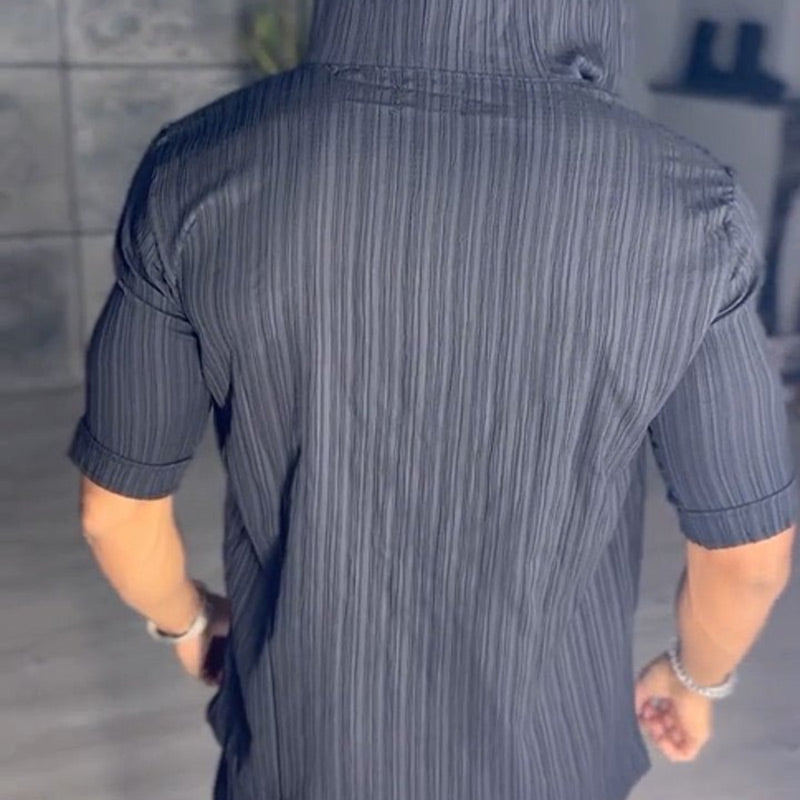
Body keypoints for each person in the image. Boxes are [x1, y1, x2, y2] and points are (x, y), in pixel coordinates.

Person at [66, 1, 798, 798]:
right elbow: (747, 557)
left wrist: (186, 618)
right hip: (553, 759)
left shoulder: (199, 168)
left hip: (303, 752)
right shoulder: (687, 209)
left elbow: (117, 512)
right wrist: (696, 678)